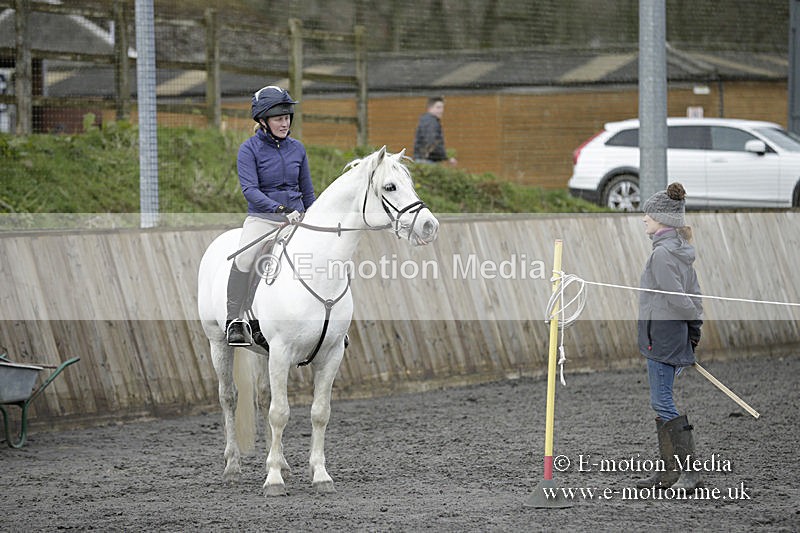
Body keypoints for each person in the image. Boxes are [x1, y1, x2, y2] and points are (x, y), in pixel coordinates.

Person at [226, 85, 316, 346]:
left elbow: (308, 192)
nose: (284, 123)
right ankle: (235, 320)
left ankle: (328, 322)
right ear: (263, 121)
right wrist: (279, 210)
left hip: (296, 219)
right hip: (263, 218)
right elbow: (250, 191)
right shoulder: (249, 150)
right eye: (278, 118)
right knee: (245, 258)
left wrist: (315, 217)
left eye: (287, 117)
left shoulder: (298, 149)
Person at [635, 182, 704, 491]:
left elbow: (681, 300)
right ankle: (668, 472)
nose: (644, 218)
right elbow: (694, 298)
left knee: (662, 401)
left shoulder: (663, 255)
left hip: (663, 339)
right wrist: (692, 332)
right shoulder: (674, 251)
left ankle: (689, 472)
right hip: (667, 337)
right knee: (660, 402)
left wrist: (689, 330)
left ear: (663, 220)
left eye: (649, 214)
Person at [413, 96, 457, 165]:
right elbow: (432, 142)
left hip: (422, 160)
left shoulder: (426, 120)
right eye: (438, 107)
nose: (441, 110)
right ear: (430, 108)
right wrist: (446, 157)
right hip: (427, 162)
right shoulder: (431, 122)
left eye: (442, 107)